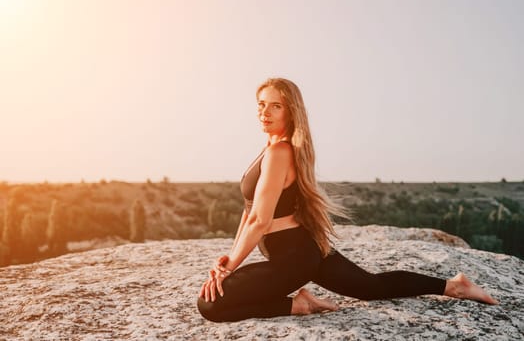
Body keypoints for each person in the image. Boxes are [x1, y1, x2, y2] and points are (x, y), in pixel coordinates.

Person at [197, 78, 498, 322]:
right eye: (261, 105)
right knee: (371, 286)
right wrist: (227, 258)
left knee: (210, 306)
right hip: (301, 251)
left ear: (290, 111)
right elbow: (249, 211)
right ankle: (453, 286)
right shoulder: (269, 150)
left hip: (294, 258)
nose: (265, 112)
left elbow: (260, 220)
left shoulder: (280, 153)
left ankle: (299, 306)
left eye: (275, 106)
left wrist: (230, 268)